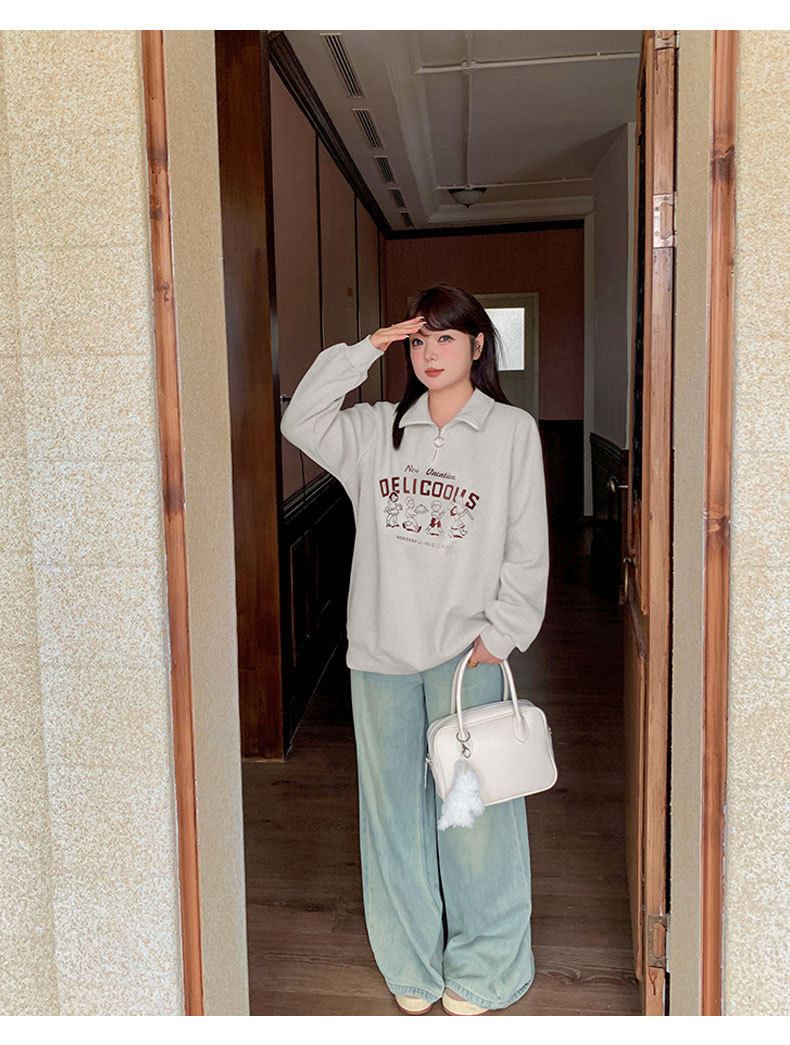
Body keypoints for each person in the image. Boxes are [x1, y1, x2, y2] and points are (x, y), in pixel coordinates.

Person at [280, 284, 550, 1015]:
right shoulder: (376, 429)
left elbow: (527, 547)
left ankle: (487, 967)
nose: (430, 353)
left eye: (446, 338)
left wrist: (502, 634)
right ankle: (411, 962)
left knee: (474, 816)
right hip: (379, 654)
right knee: (393, 815)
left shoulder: (510, 432)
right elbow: (301, 418)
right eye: (419, 340)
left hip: (468, 656)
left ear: (478, 346)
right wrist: (366, 348)